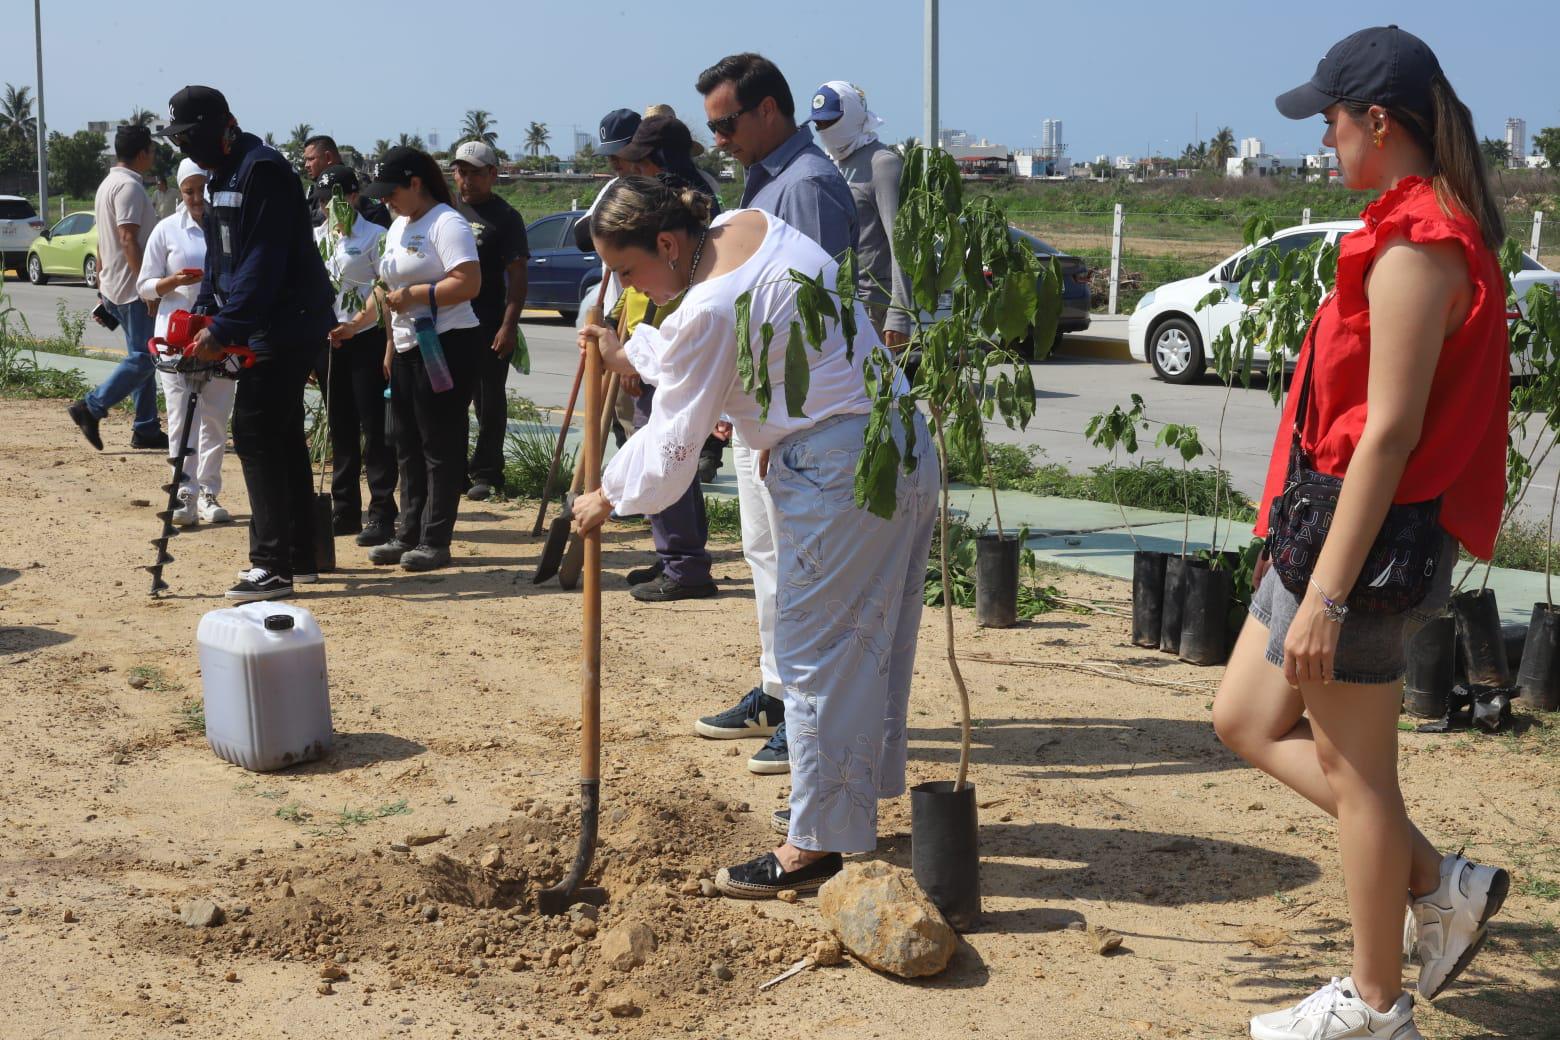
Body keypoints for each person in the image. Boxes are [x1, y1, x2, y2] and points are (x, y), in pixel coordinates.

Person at [1213, 27, 1510, 1040]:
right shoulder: (1399, 226)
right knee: (1245, 717)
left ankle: (1378, 1003)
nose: (1324, 141)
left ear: (1378, 122)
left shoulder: (1422, 241)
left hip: (1367, 546)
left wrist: (1329, 597)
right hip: (1329, 526)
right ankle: (1437, 880)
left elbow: (1387, 432)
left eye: (1332, 122)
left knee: (1363, 779)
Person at [574, 176, 935, 898]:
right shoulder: (748, 227)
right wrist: (632, 354)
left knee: (813, 654)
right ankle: (836, 808)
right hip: (898, 436)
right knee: (868, 641)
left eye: (628, 268)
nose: (623, 286)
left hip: (840, 467)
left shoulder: (706, 306)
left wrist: (607, 495)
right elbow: (715, 356)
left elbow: (673, 443)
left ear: (669, 243)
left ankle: (814, 845)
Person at [692, 52, 859, 775]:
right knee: (767, 556)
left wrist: (781, 423)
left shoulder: (811, 185)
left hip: (798, 421)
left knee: (803, 567)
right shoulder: (768, 183)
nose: (718, 140)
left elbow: (814, 322)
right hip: (763, 410)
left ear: (770, 111)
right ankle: (775, 688)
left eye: (726, 124)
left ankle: (806, 709)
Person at [164, 85, 337, 602]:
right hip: (262, 320)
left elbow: (263, 264)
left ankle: (270, 567)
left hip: (288, 320)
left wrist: (224, 331)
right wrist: (203, 314)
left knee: (256, 428)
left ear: (226, 124)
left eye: (192, 135)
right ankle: (300, 554)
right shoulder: (220, 176)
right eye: (178, 140)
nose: (186, 147)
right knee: (281, 436)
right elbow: (223, 261)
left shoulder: (261, 171)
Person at [329, 147, 482, 573]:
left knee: (439, 444)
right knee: (405, 442)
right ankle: (407, 532)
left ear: (417, 184)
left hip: (447, 344)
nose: (386, 201)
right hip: (406, 346)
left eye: (392, 191)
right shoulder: (397, 226)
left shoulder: (447, 223)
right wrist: (362, 329)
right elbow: (384, 288)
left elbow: (468, 282)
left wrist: (418, 295)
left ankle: (436, 539)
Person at [607, 119, 724, 602]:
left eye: (638, 158)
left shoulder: (676, 212)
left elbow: (667, 297)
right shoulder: (659, 201)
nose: (629, 166)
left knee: (665, 453)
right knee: (670, 456)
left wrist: (633, 355)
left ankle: (683, 562)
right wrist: (620, 317)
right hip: (644, 339)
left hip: (662, 349)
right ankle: (676, 553)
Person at [137, 157, 234, 526]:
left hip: (219, 333)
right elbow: (144, 285)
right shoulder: (166, 230)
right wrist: (172, 283)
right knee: (180, 419)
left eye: (202, 189)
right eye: (189, 191)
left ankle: (209, 492)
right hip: (175, 338)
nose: (196, 197)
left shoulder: (225, 227)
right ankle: (184, 493)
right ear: (181, 192)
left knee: (215, 417)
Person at [67, 125, 167, 453]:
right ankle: (91, 407)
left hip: (115, 286)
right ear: (141, 154)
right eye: (152, 150)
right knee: (146, 357)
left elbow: (103, 237)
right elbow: (126, 237)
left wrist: (101, 278)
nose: (153, 155)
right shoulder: (129, 188)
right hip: (131, 290)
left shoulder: (108, 184)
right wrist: (147, 286)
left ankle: (146, 427)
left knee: (140, 357)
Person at [312, 164, 397, 547]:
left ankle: (382, 510)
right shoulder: (315, 238)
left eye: (338, 197)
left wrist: (356, 324)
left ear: (353, 196)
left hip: (364, 339)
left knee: (373, 429)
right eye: (324, 199)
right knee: (340, 427)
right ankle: (344, 508)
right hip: (330, 343)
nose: (331, 206)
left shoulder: (376, 236)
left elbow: (382, 289)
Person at [451, 139, 529, 501]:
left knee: (489, 401)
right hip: (448, 323)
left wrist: (508, 325)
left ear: (493, 175)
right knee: (449, 400)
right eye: (461, 172)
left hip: (487, 324)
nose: (467, 180)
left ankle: (487, 472)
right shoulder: (447, 211)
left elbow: (517, 277)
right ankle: (451, 470)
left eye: (476, 173)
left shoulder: (506, 218)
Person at [809, 81, 912, 350]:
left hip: (874, 306)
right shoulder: (833, 164)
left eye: (831, 122)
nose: (824, 131)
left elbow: (901, 243)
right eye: (819, 125)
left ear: (854, 116)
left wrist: (899, 313)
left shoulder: (882, 164)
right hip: (840, 303)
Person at [302, 134, 391, 229]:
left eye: (311, 159)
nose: (306, 165)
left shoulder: (358, 185)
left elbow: (378, 222)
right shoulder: (314, 191)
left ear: (328, 157)